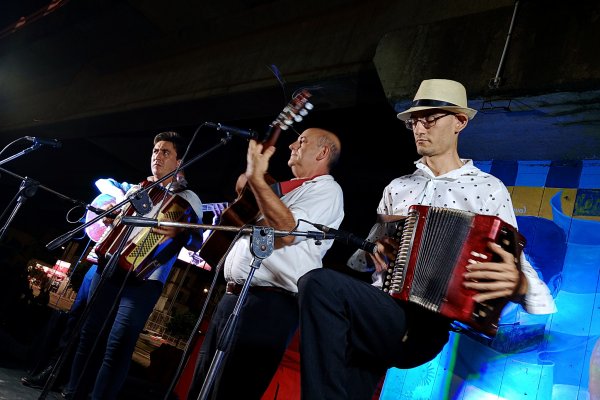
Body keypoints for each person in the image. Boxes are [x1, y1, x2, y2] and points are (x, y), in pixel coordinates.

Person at [297, 79, 557, 399]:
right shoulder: (398, 188)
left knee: (318, 283)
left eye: (430, 118)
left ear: (459, 122)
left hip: (425, 327)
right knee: (346, 370)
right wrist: (376, 253)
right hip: (380, 310)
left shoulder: (488, 189)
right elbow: (365, 260)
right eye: (415, 120)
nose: (420, 127)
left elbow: (526, 276)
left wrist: (518, 284)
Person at [187, 128, 344, 399]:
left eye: (302, 141)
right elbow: (244, 188)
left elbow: (285, 231)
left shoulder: (328, 191)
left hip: (268, 307)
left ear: (322, 152)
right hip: (234, 298)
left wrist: (257, 179)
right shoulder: (290, 191)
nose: (292, 145)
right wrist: (252, 181)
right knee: (202, 387)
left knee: (231, 390)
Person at [63, 131, 204, 400]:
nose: (157, 156)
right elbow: (121, 225)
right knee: (88, 336)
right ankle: (73, 394)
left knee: (117, 345)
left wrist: (181, 232)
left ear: (179, 161)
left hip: (145, 280)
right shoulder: (138, 189)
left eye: (165, 152)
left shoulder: (189, 198)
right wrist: (111, 222)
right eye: (155, 151)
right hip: (110, 269)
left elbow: (196, 243)